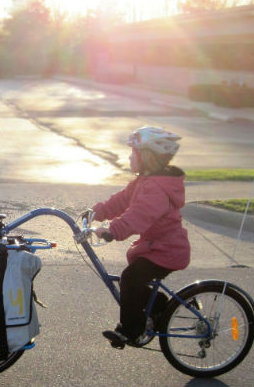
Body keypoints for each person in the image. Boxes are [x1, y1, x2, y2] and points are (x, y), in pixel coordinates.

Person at [82, 126, 190, 349]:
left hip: (167, 251)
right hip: (155, 247)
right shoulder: (144, 181)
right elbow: (121, 201)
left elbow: (140, 215)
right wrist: (97, 212)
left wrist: (114, 230)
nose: (130, 157)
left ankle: (132, 331)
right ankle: (161, 307)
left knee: (130, 278)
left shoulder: (157, 189)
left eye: (134, 153)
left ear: (149, 157)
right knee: (132, 281)